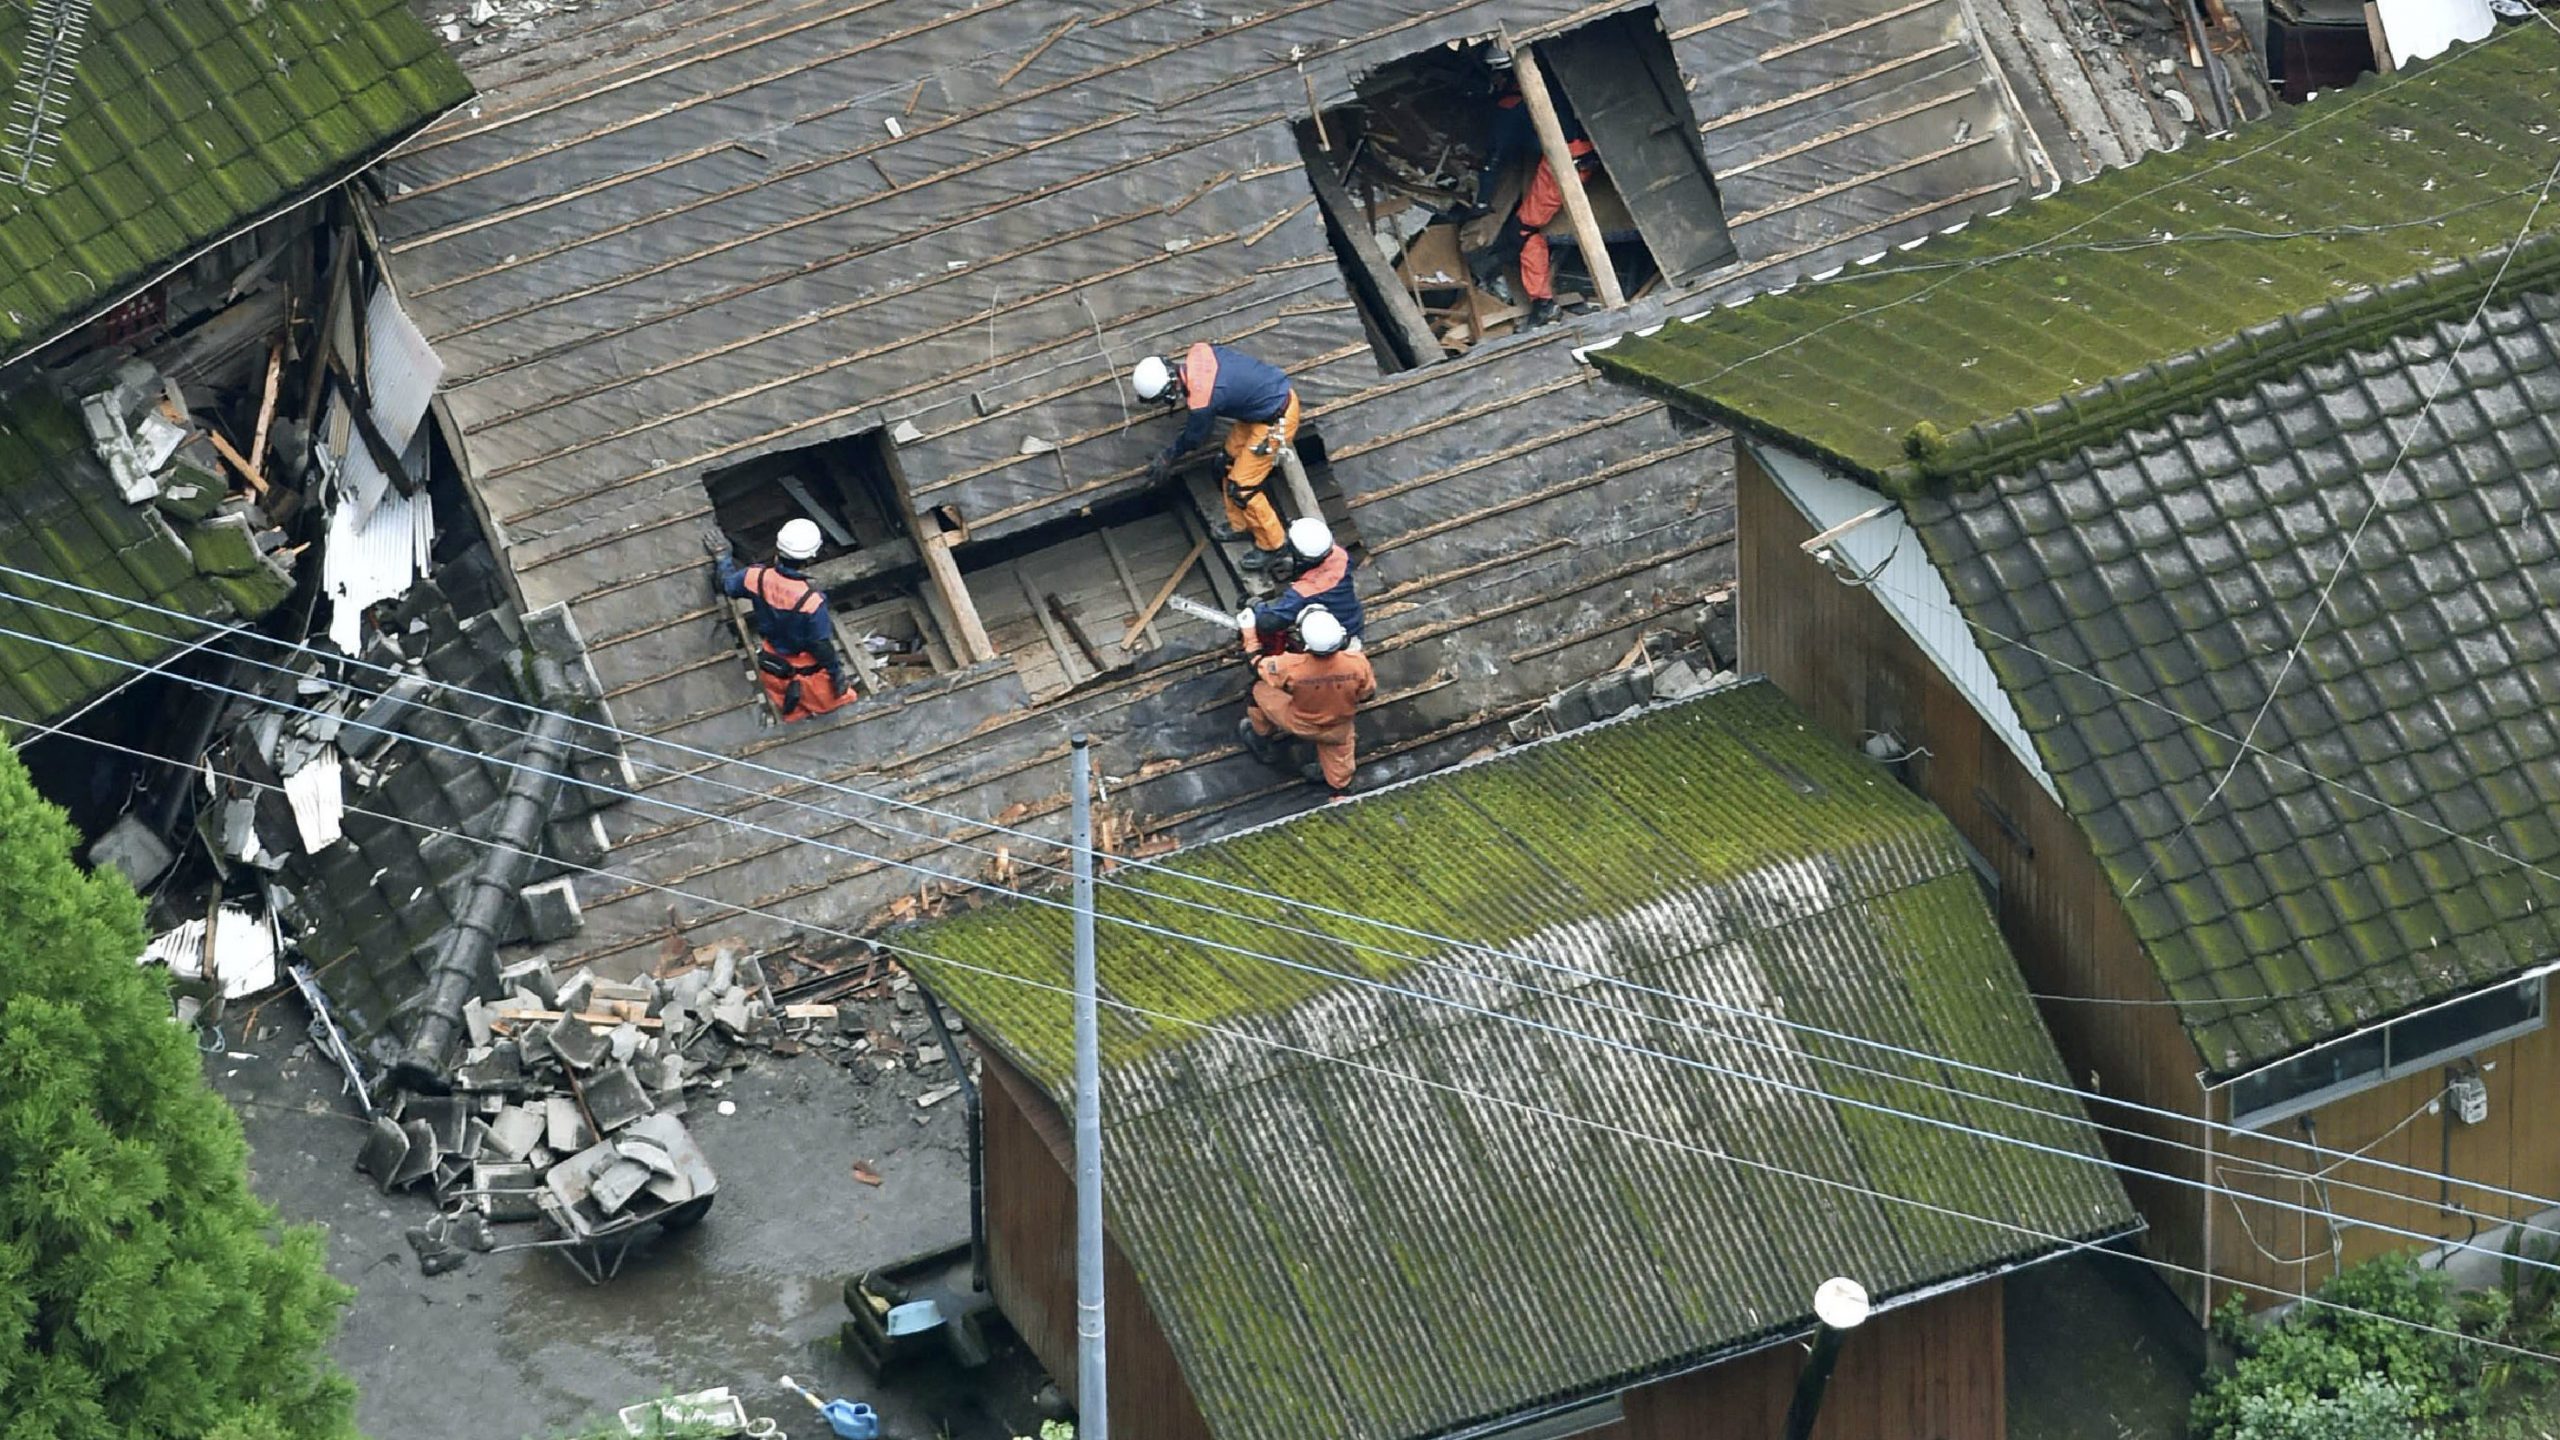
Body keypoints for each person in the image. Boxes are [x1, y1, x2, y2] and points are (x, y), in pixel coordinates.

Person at [1133, 342, 1299, 572]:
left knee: (1243, 488)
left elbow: (1194, 438)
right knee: (1225, 464)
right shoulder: (1200, 352)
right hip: (1259, 410)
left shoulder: (1203, 400)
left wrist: (1168, 457)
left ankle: (1274, 545)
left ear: (1170, 389)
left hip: (1276, 419)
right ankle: (1242, 526)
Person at [714, 518, 854, 722]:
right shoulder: (812, 601)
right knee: (844, 716)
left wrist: (722, 558)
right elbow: (820, 644)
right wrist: (835, 673)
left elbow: (726, 584)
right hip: (810, 677)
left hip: (774, 669)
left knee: (793, 720)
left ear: (778, 549)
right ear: (810, 557)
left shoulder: (756, 577)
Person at [1237, 604, 1375, 800]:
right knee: (1340, 772)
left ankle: (1262, 736)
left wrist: (1249, 632)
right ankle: (1339, 793)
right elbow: (1367, 694)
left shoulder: (1290, 665)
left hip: (1300, 722)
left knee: (1256, 690)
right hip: (1338, 728)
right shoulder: (1357, 663)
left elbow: (1256, 664)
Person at [1467, 134, 1600, 330]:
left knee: (1524, 231)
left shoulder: (1510, 114)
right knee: (1523, 231)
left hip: (1568, 155)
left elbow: (1495, 157)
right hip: (1569, 152)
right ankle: (1542, 301)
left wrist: (1482, 202)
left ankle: (1544, 303)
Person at [1243, 517, 1362, 654]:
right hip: (1352, 617)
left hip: (1336, 639)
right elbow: (1323, 570)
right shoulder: (1340, 555)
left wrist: (1258, 606)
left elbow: (1269, 623)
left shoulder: (1305, 592)